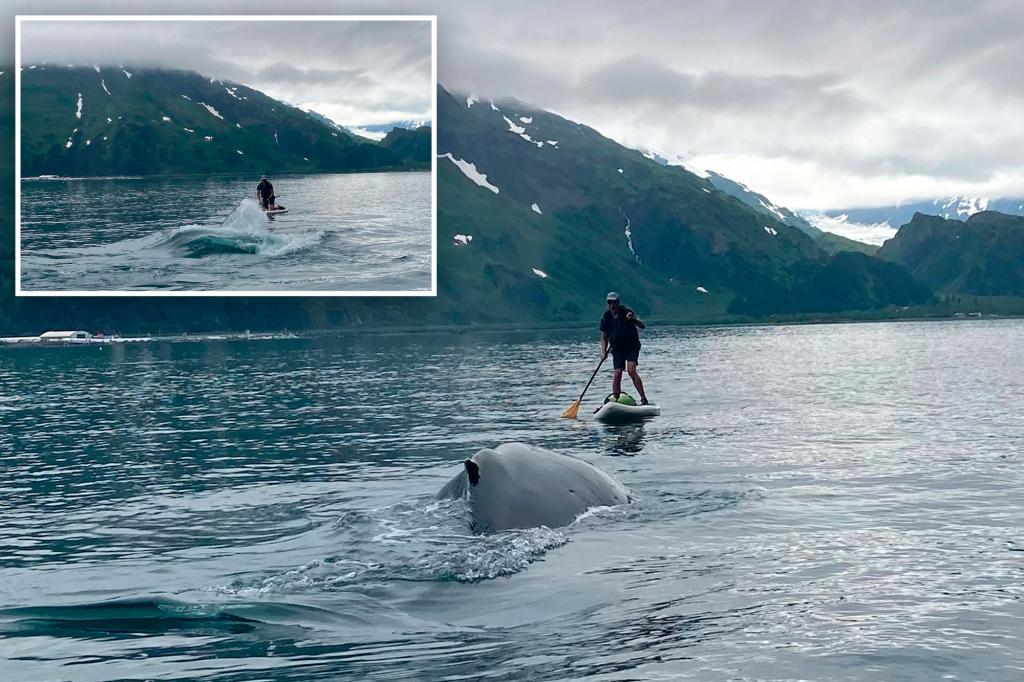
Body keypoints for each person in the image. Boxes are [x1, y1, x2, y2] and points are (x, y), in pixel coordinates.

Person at [599, 291, 650, 405]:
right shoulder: (606, 317)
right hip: (617, 348)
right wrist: (603, 352)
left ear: (618, 302)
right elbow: (604, 337)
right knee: (617, 373)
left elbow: (642, 326)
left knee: (631, 370)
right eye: (609, 302)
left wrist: (633, 319)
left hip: (632, 345)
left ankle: (643, 398)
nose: (612, 305)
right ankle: (616, 400)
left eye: (614, 302)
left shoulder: (627, 311)